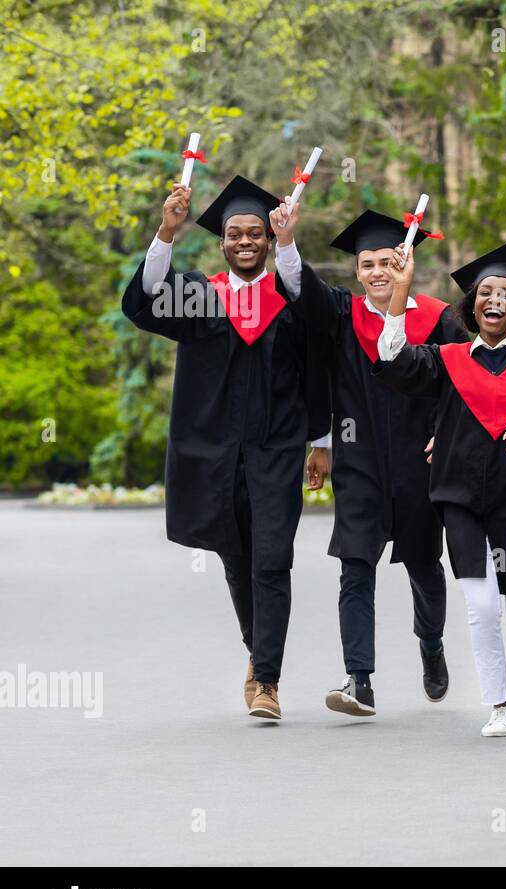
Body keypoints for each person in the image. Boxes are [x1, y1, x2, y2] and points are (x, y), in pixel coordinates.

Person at [121, 175, 330, 720]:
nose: (244, 241)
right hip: (213, 449)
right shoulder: (197, 294)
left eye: (255, 233)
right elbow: (141, 304)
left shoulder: (291, 296)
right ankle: (258, 653)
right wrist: (166, 232)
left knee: (272, 559)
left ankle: (267, 681)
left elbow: (318, 368)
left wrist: (323, 442)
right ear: (221, 242)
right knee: (236, 557)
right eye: (235, 233)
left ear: (267, 239)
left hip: (276, 447)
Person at [374, 240, 506, 738]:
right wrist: (400, 295)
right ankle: (499, 702)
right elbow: (395, 362)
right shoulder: (446, 361)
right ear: (471, 305)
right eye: (485, 292)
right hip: (460, 500)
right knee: (481, 606)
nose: (494, 301)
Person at [274, 206, 467, 716]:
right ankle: (359, 679)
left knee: (425, 567)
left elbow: (465, 386)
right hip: (359, 464)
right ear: (357, 272)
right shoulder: (342, 316)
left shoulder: (440, 319)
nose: (378, 272)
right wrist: (287, 241)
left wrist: (447, 436)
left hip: (419, 466)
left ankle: (430, 643)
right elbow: (302, 291)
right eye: (367, 264)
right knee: (355, 567)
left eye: (387, 261)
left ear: (406, 264)